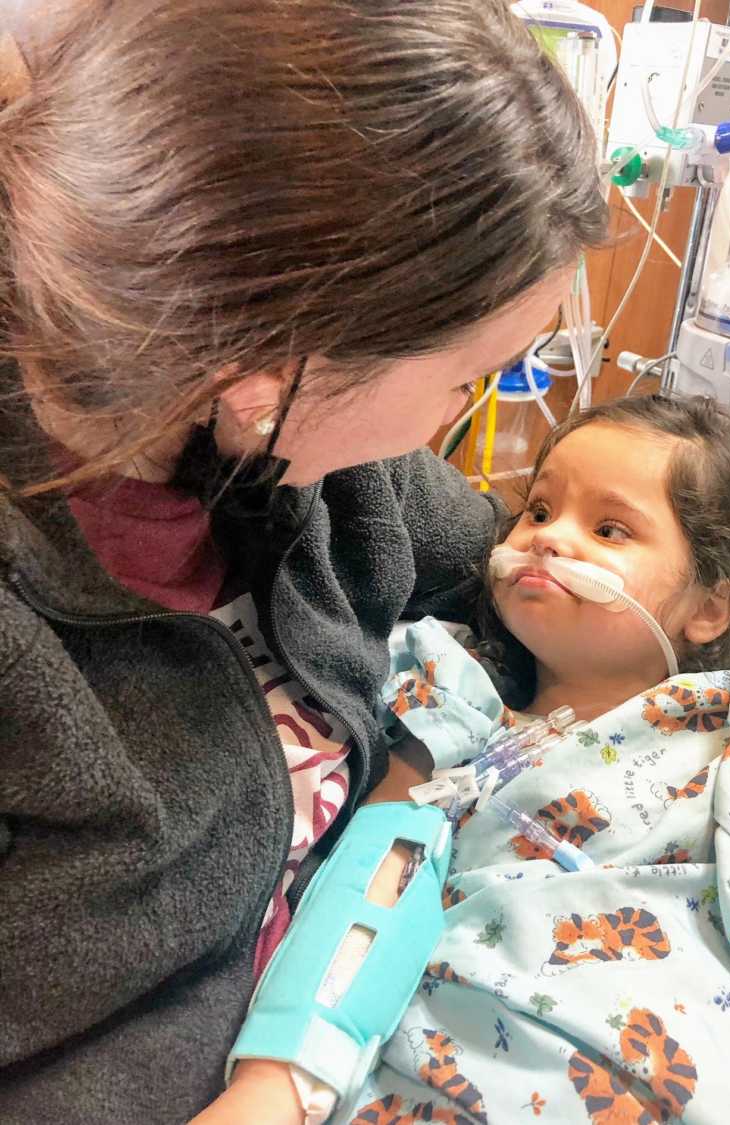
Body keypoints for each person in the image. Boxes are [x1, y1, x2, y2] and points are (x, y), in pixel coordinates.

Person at [0, 1, 610, 1121]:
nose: (461, 414)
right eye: (467, 374)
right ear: (265, 372)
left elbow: (540, 596)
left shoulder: (323, 469)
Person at [301, 395, 730, 1125]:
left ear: (708, 608)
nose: (551, 540)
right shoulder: (448, 700)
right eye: (540, 510)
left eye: (609, 528)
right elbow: (368, 886)